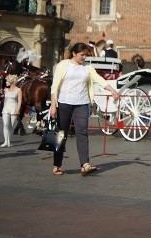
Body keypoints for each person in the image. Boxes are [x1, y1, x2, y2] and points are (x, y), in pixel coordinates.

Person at [49, 42, 119, 176]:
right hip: (64, 103)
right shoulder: (63, 65)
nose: (84, 58)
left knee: (82, 132)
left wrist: (111, 89)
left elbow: (98, 79)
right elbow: (54, 86)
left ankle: (85, 164)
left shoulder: (87, 67)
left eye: (85, 55)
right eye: (82, 55)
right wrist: (53, 106)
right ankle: (57, 164)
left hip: (81, 103)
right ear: (74, 53)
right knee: (61, 134)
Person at [0, 74, 22, 148]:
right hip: (6, 108)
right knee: (5, 124)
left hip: (14, 108)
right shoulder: (6, 90)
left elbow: (19, 101)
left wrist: (18, 109)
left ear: (11, 82)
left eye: (7, 81)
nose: (6, 82)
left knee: (11, 126)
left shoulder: (18, 90)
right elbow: (5, 100)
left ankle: (9, 141)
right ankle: (5, 141)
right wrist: (3, 108)